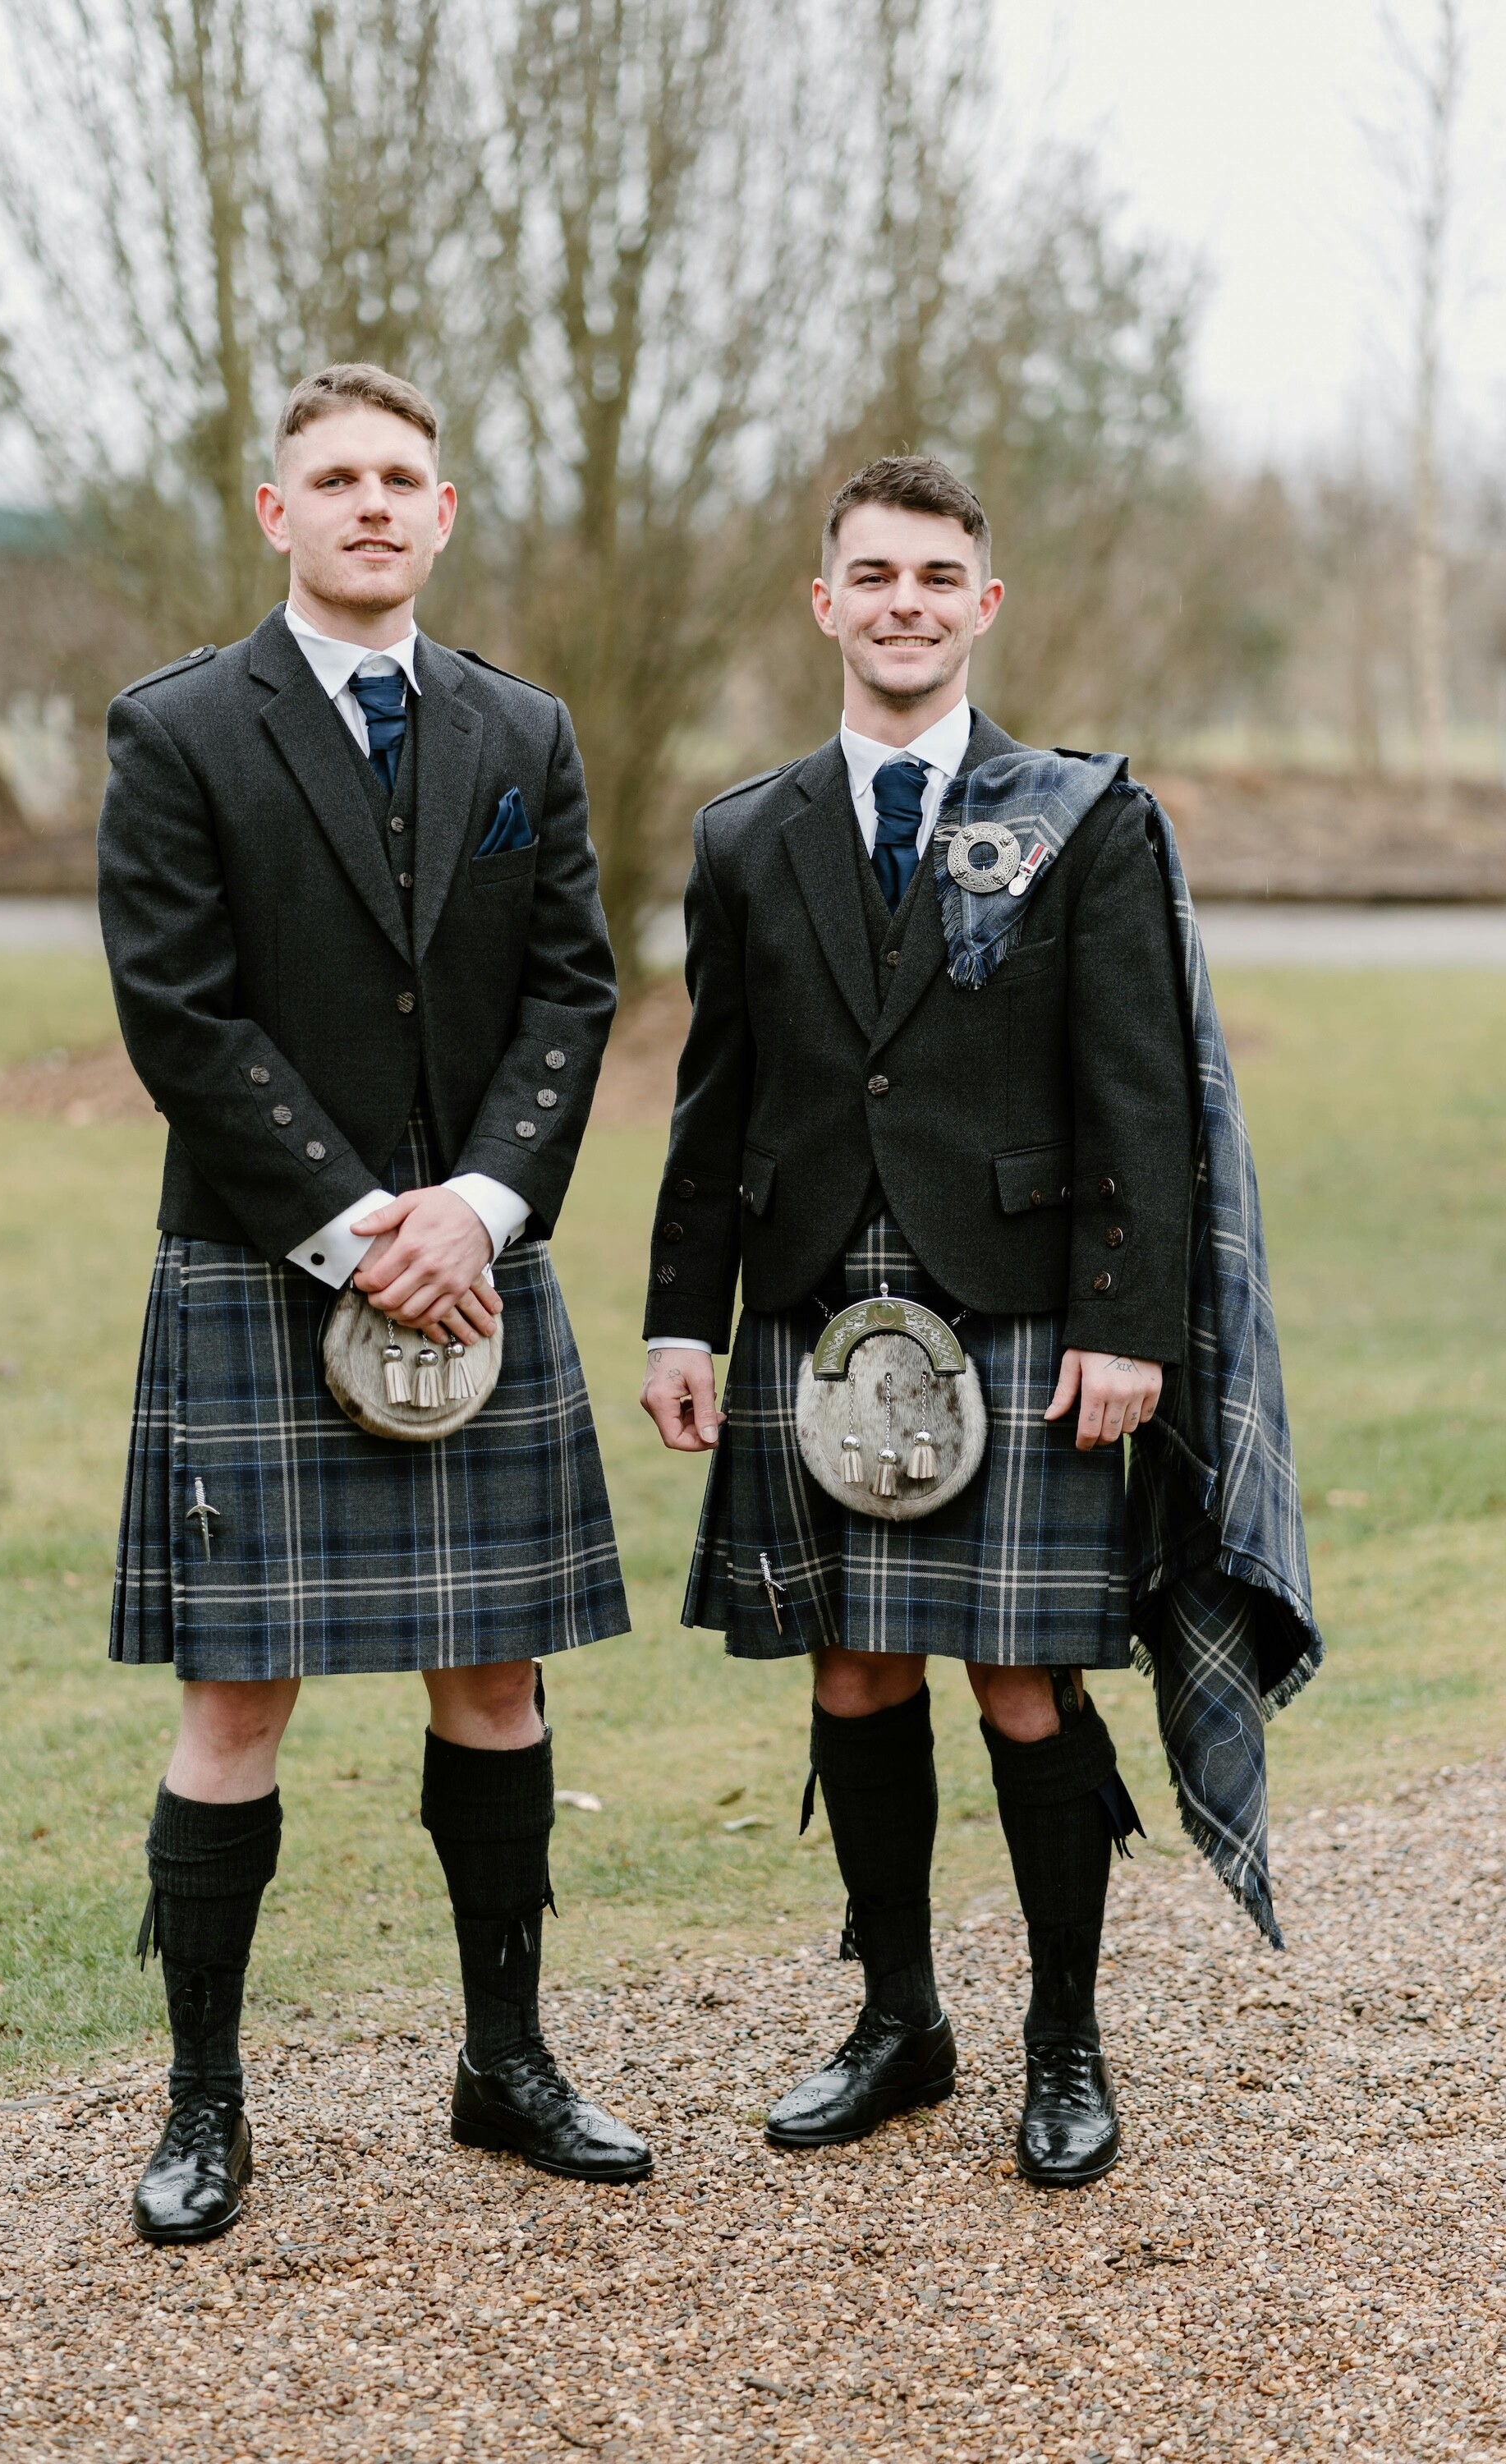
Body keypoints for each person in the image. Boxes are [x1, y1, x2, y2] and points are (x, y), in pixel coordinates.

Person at [101, 361, 650, 2246]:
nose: (369, 504)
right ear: (275, 512)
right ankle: (202, 2108)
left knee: (491, 1680)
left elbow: (572, 995)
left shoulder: (525, 728)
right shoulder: (178, 728)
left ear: (441, 508)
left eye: (401, 476)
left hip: (478, 1263)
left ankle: (505, 2064)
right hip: (265, 1269)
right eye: (332, 476)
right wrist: (359, 1228)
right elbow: (180, 1015)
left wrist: (481, 1209)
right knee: (233, 1696)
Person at [642, 453, 1229, 2187]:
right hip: (814, 1298)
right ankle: (898, 2021)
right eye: (872, 574)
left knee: (1028, 1682)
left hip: (1021, 1307)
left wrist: (1125, 1325)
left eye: (935, 575)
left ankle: (1066, 2043)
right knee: (849, 1666)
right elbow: (714, 1098)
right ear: (825, 603)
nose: (903, 601)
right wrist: (684, 1318)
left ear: (983, 605)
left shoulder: (1084, 819)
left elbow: (1137, 1094)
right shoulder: (748, 835)